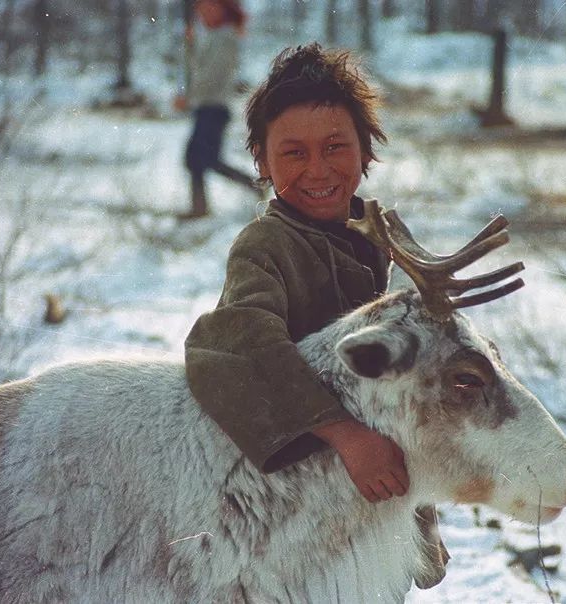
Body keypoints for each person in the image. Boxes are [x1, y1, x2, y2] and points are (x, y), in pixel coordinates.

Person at [184, 43, 449, 589]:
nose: (319, 170)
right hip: (297, 497)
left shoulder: (382, 240)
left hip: (380, 489)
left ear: (367, 152)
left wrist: (422, 518)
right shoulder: (266, 245)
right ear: (261, 161)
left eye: (335, 147)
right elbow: (240, 344)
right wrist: (346, 435)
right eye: (294, 153)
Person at [173, 0, 260, 219]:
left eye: (208, 7)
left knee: (204, 159)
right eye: (200, 8)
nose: (202, 12)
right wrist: (190, 46)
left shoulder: (226, 37)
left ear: (223, 9)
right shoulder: (214, 37)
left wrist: (188, 98)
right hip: (207, 107)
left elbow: (211, 77)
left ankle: (255, 186)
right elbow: (197, 68)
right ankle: (201, 207)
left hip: (214, 107)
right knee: (197, 158)